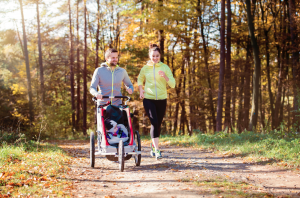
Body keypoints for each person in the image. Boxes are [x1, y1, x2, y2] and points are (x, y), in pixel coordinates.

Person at [137, 43, 176, 160]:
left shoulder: (165, 67)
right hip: (149, 98)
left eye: (157, 56)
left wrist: (165, 76)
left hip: (162, 99)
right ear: (150, 56)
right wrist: (141, 90)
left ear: (160, 56)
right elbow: (139, 79)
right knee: (154, 122)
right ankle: (157, 149)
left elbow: (173, 85)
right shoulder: (145, 68)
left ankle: (153, 145)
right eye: (153, 56)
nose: (155, 58)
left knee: (158, 124)